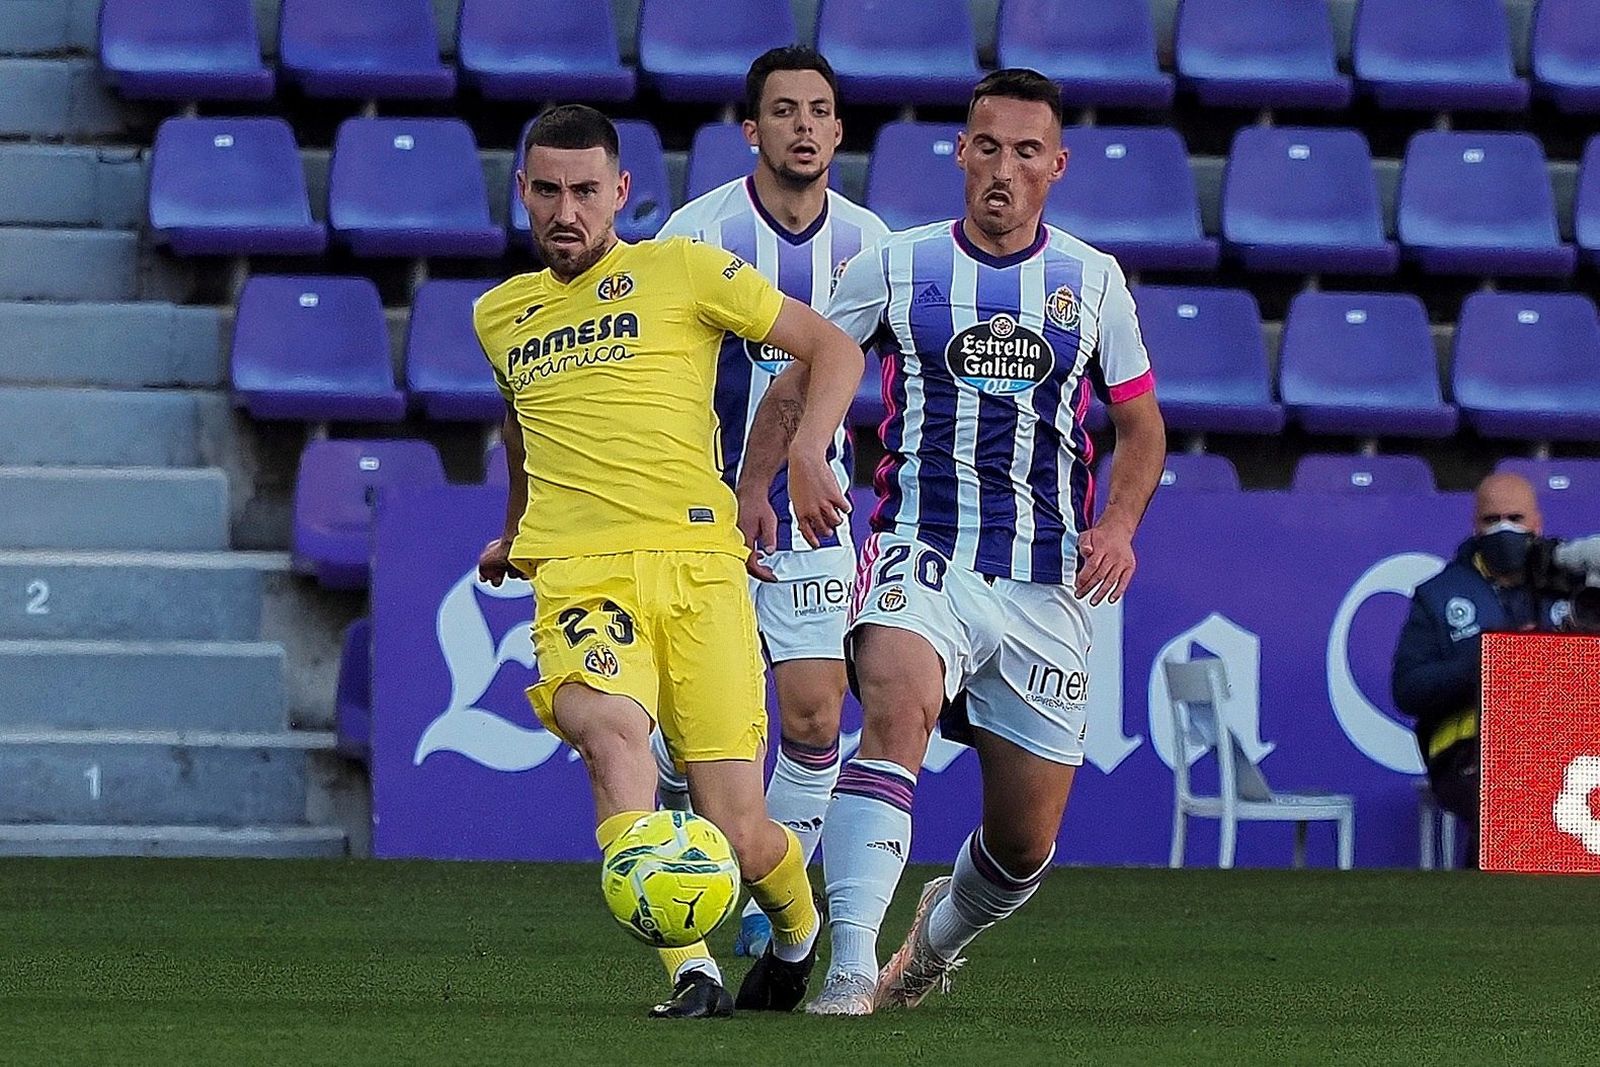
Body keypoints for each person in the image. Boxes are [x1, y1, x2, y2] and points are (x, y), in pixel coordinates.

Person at [736, 69, 1166, 1015]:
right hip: (920, 549)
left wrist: (1121, 524)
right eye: (986, 147)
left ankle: (931, 941)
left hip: (1046, 582)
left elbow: (1142, 427)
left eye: (1025, 152)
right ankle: (849, 965)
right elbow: (803, 376)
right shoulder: (899, 265)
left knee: (1023, 844)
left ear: (1056, 165)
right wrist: (764, 481)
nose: (1002, 169)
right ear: (960, 154)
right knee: (893, 709)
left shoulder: (1092, 281)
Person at [473, 105, 863, 1018]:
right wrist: (515, 528)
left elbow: (831, 347)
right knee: (613, 733)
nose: (565, 209)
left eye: (584, 190)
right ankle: (690, 967)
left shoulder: (681, 270)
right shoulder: (501, 316)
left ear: (621, 193)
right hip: (582, 577)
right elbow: (522, 432)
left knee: (737, 825)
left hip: (700, 571)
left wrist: (807, 451)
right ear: (523, 193)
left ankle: (797, 930)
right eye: (546, 190)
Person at [650, 45, 890, 959]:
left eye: (819, 110)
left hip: (815, 511)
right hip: (702, 511)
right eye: (783, 111)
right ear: (751, 130)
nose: (803, 126)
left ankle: (760, 899)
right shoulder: (694, 233)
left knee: (817, 717)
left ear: (838, 129)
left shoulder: (872, 245)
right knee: (694, 733)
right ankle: (686, 821)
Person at [1392, 471, 1566, 865]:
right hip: (1469, 751)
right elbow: (1407, 688)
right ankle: (1490, 913)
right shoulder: (1438, 595)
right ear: (1475, 525)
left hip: (1567, 748)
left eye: (1516, 519)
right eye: (1492, 519)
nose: (1504, 528)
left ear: (1537, 524)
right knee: (1505, 801)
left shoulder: (1571, 587)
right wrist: (1488, 663)